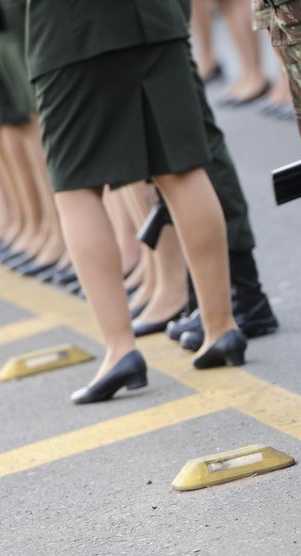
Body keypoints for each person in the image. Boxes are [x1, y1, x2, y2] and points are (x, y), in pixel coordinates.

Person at [26, 0, 246, 404]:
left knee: (76, 188)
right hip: (154, 18)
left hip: (70, 30)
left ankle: (120, 349)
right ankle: (221, 326)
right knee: (181, 169)